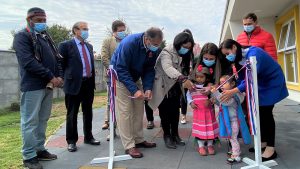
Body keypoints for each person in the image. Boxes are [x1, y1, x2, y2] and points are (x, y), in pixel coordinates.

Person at [219, 39, 288, 161]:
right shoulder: (238, 59)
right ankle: (263, 143)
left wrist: (233, 91)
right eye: (225, 55)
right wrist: (235, 88)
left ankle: (271, 149)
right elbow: (242, 78)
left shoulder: (254, 53)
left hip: (271, 81)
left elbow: (250, 77)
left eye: (227, 53)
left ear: (234, 47)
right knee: (260, 113)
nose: (227, 56)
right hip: (260, 82)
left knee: (266, 112)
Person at [13, 7, 61, 169]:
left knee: (42, 119)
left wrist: (59, 75)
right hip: (33, 85)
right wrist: (50, 76)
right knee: (30, 121)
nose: (42, 23)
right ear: (29, 20)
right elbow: (28, 62)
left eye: (44, 20)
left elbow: (56, 58)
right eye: (39, 21)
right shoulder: (22, 36)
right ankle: (28, 156)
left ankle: (39, 149)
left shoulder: (45, 37)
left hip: (48, 85)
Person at [110, 27, 162, 158]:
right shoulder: (129, 43)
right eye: (155, 44)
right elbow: (120, 68)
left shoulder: (152, 48)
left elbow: (149, 69)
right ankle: (129, 145)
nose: (157, 47)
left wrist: (148, 87)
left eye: (159, 44)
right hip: (120, 78)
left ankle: (138, 139)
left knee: (139, 109)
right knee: (125, 112)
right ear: (146, 39)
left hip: (135, 77)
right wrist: (134, 90)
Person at [58, 21, 100, 153]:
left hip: (88, 83)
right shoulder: (65, 45)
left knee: (88, 111)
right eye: (84, 29)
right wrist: (62, 79)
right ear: (76, 30)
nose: (86, 31)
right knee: (72, 113)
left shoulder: (89, 46)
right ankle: (71, 141)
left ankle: (89, 136)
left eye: (87, 29)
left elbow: (88, 63)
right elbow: (60, 64)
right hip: (73, 84)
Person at [149, 32, 195, 149]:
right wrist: (182, 79)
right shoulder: (166, 52)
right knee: (165, 112)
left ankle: (175, 134)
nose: (186, 49)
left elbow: (185, 69)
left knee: (175, 111)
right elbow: (168, 68)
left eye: (189, 48)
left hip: (175, 86)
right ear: (178, 43)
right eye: (185, 47)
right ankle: (167, 136)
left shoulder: (184, 54)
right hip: (163, 86)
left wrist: (188, 78)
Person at [212, 75, 251, 164]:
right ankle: (235, 150)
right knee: (231, 137)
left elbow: (227, 102)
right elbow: (222, 104)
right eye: (220, 83)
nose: (221, 85)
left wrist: (216, 93)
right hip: (228, 120)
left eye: (224, 83)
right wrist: (216, 102)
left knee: (233, 138)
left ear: (232, 84)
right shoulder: (226, 94)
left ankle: (236, 155)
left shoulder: (234, 95)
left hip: (234, 121)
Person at [187, 65, 218, 156]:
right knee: (200, 129)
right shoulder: (192, 86)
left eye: (202, 77)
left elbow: (214, 96)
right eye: (197, 77)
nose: (199, 79)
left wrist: (210, 101)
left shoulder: (209, 87)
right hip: (198, 112)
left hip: (209, 112)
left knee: (210, 128)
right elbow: (188, 95)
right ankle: (201, 146)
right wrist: (191, 102)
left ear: (206, 77)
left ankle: (210, 145)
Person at [101, 20, 127, 131]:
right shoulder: (108, 41)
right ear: (114, 31)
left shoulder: (126, 41)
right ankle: (110, 126)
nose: (123, 33)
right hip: (112, 76)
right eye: (120, 31)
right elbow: (104, 57)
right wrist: (113, 71)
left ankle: (122, 127)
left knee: (123, 104)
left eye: (124, 30)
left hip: (125, 77)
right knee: (111, 101)